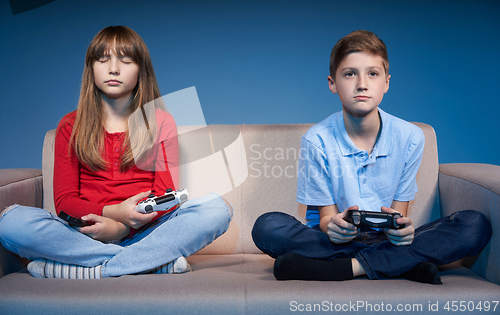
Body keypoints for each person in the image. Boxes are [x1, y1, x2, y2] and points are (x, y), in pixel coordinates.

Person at [251, 30, 491, 284]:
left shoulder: (410, 137)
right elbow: (326, 219)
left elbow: (397, 216)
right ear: (333, 83)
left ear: (386, 82)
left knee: (474, 224)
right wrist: (332, 226)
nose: (362, 84)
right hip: (335, 242)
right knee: (267, 227)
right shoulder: (316, 139)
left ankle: (347, 268)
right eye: (350, 73)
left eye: (372, 74)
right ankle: (402, 265)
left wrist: (402, 231)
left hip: (385, 239)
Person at [0, 26, 232, 279]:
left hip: (146, 232)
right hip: (86, 234)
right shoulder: (70, 125)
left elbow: (165, 197)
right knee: (11, 221)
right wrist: (113, 214)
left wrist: (123, 230)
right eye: (103, 59)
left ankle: (89, 268)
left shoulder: (160, 121)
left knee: (217, 209)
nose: (113, 69)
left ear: (140, 71)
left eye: (125, 60)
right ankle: (149, 263)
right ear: (91, 69)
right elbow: (65, 201)